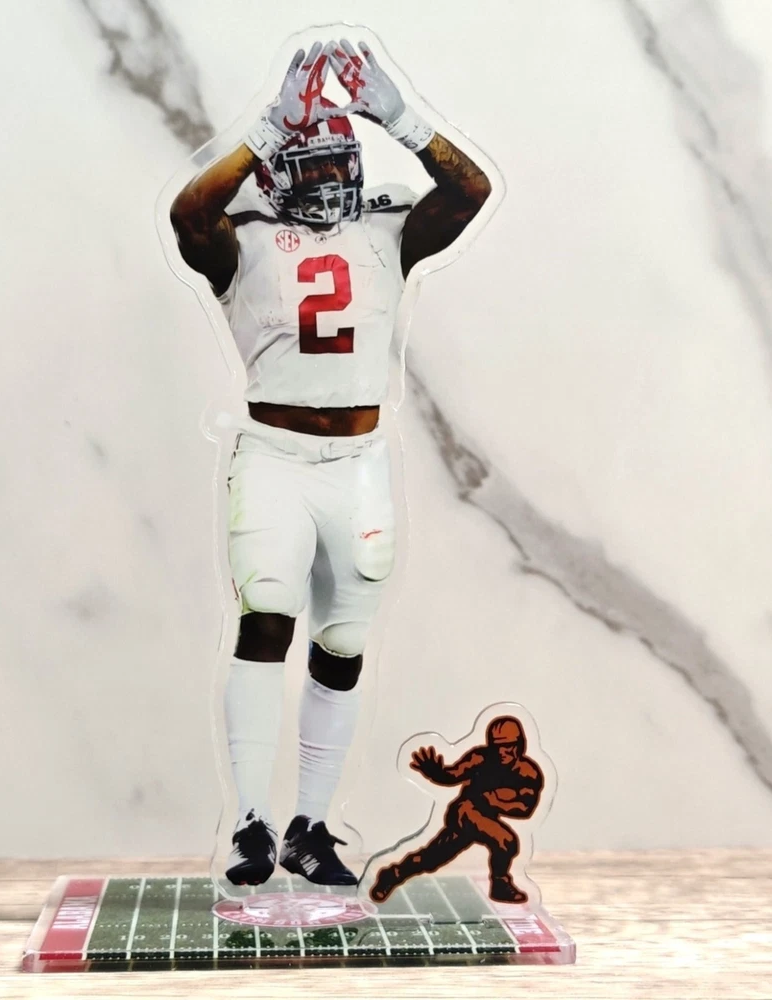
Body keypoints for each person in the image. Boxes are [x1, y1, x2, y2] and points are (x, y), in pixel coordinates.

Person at [169, 39, 492, 887]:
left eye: (334, 164)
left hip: (358, 463)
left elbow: (470, 191)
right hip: (274, 458)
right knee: (266, 619)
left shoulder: (387, 229)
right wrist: (266, 128)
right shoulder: (241, 238)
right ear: (276, 169)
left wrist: (400, 118)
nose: (325, 182)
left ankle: (310, 826)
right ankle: (251, 823)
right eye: (306, 166)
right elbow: (187, 215)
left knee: (342, 644)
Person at [369, 717, 544, 903]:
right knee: (503, 841)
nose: (502, 752)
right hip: (465, 812)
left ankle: (394, 874)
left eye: (508, 746)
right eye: (497, 746)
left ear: (519, 745)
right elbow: (453, 774)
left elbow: (525, 808)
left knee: (432, 858)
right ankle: (500, 884)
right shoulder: (480, 758)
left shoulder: (528, 772)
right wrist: (436, 773)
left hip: (486, 817)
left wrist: (494, 801)